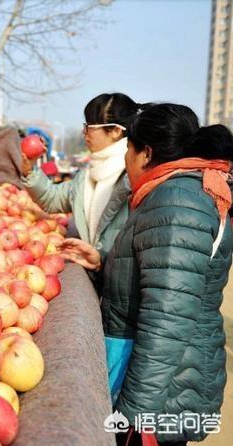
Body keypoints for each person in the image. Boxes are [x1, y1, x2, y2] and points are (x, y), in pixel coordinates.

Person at [92, 103, 232, 445]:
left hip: (164, 390)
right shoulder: (176, 195)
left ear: (146, 153)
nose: (126, 162)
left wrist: (133, 417)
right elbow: (156, 273)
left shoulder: (177, 201)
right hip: (167, 381)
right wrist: (101, 260)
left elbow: (168, 320)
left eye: (128, 150)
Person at [19, 93, 139, 283]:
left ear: (115, 131)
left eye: (89, 127)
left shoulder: (133, 175)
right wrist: (30, 173)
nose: (84, 133)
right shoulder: (86, 175)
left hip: (121, 283)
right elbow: (53, 199)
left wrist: (103, 259)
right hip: (98, 278)